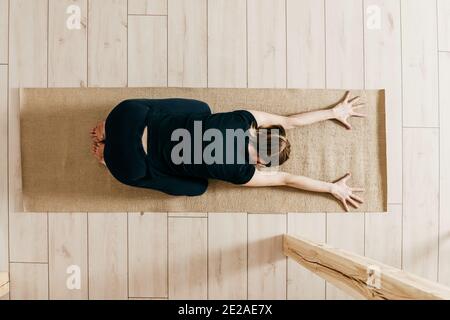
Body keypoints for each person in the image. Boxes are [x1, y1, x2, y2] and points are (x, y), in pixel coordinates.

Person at [90, 91, 365, 211]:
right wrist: (332, 188)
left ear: (260, 133)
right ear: (260, 162)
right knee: (199, 188)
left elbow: (290, 121)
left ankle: (108, 129)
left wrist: (334, 111)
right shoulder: (243, 173)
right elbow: (286, 179)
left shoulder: (244, 120)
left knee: (201, 109)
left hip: (128, 115)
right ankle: (107, 155)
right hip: (128, 165)